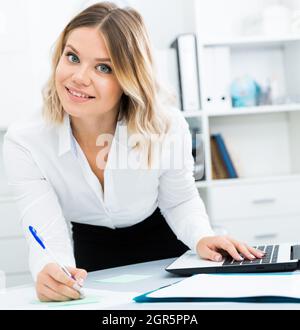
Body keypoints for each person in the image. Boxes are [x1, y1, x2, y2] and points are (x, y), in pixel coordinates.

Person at [3, 2, 264, 303]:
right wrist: (51, 268)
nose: (78, 77)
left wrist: (202, 236)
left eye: (104, 67)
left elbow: (179, 199)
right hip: (92, 252)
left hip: (163, 245)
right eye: (72, 57)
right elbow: (43, 224)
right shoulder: (26, 140)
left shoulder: (166, 125)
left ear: (129, 78)